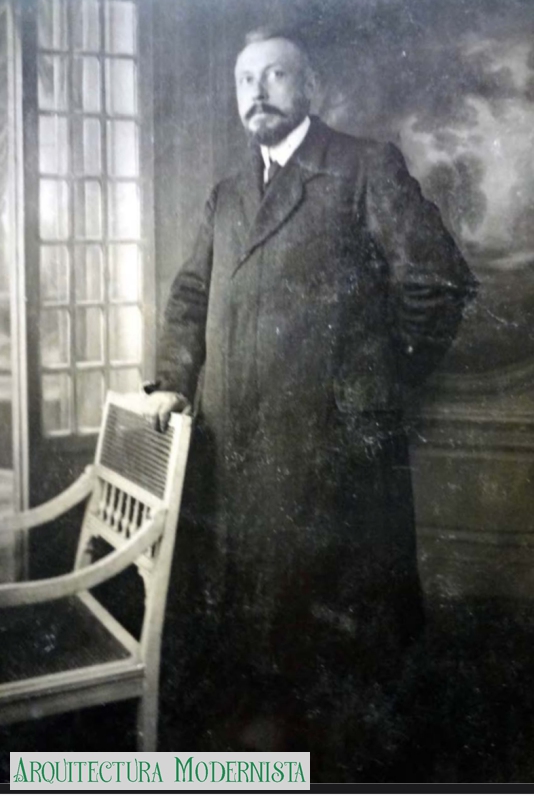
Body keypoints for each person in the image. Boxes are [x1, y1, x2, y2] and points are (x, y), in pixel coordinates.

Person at [145, 27, 477, 778]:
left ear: (311, 88)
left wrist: (376, 386)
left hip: (335, 455)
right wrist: (171, 380)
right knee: (258, 635)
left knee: (344, 651)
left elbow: (437, 282)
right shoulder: (229, 193)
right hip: (241, 449)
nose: (257, 92)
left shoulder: (363, 166)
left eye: (275, 75)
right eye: (245, 80)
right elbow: (191, 294)